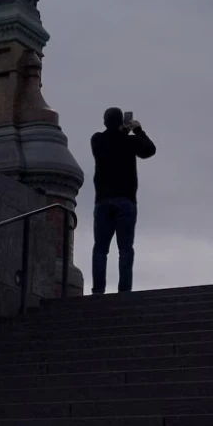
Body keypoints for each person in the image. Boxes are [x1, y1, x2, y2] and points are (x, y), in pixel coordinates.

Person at [90, 107, 157, 294]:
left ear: (104, 122)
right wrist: (138, 130)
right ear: (122, 122)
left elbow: (109, 141)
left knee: (100, 249)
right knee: (125, 249)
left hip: (103, 201)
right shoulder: (130, 142)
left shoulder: (97, 139)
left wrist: (121, 131)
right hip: (126, 201)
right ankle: (124, 291)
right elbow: (150, 150)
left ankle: (98, 290)